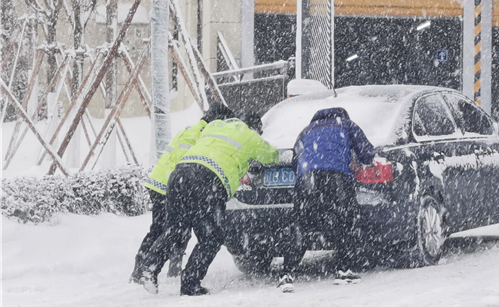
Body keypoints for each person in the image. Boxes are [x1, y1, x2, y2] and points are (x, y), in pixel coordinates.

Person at [139, 111, 279, 296]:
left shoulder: (214, 126)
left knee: (176, 229)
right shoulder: (250, 136)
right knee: (212, 237)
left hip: (179, 174)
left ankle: (149, 267)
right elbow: (272, 156)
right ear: (255, 128)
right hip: (208, 180)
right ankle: (190, 283)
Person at [129, 102, 235, 284]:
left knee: (173, 228)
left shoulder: (195, 129)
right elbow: (185, 160)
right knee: (164, 229)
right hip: (166, 184)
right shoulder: (197, 133)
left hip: (164, 182)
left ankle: (165, 269)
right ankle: (142, 271)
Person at [278, 107, 376, 293]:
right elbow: (367, 153)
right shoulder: (346, 124)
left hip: (307, 179)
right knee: (346, 220)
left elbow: (295, 162)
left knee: (301, 225)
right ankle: (344, 270)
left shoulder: (306, 131)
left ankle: (286, 274)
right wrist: (353, 157)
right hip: (336, 176)